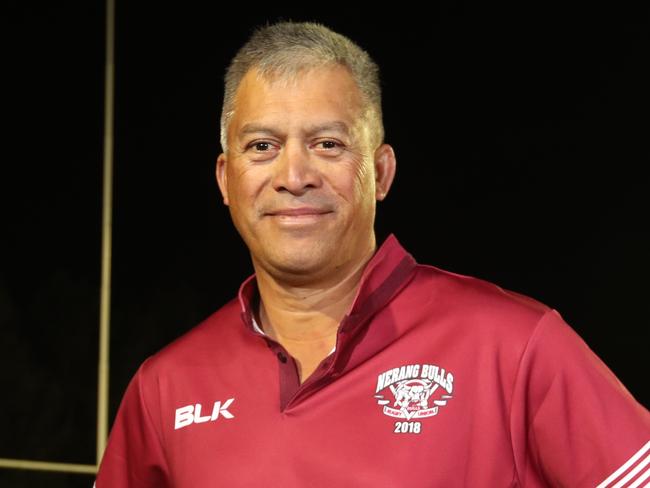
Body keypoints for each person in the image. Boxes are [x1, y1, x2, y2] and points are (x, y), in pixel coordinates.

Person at [95, 21, 649, 487]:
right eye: (262, 146)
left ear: (380, 172)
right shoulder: (163, 388)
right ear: (226, 178)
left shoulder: (514, 345)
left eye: (327, 144)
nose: (293, 176)